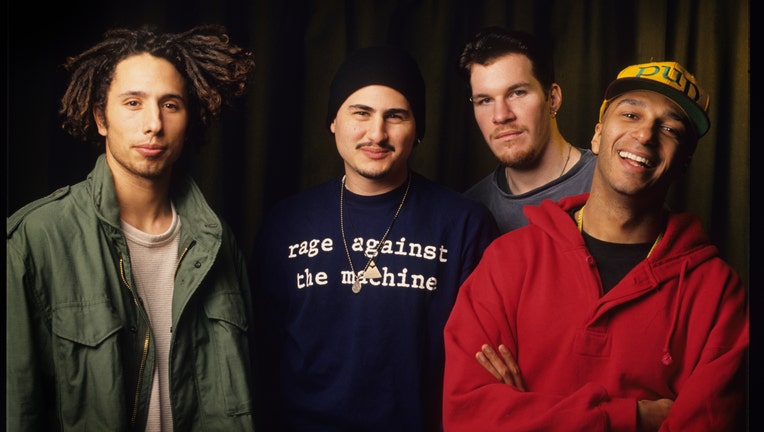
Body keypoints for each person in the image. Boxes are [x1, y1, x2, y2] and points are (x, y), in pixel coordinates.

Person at [443, 61, 749, 431]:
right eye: (631, 114)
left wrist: (527, 414)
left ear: (683, 163)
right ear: (598, 135)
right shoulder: (509, 261)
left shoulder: (718, 292)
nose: (645, 135)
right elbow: (468, 416)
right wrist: (632, 417)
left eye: (670, 128)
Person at [7, 25, 257, 431]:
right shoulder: (35, 239)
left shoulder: (217, 241)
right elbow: (17, 408)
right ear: (101, 118)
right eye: (133, 103)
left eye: (170, 105)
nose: (154, 124)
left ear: (188, 120)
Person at [250, 45, 500, 431]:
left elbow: (480, 364)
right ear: (333, 120)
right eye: (361, 113)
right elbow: (262, 357)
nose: (377, 134)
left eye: (395, 116)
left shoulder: (464, 223)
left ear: (417, 129)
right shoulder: (287, 222)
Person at [458, 27, 596, 232]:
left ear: (553, 99)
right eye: (485, 100)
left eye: (517, 93)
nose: (501, 115)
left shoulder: (607, 183)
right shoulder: (469, 212)